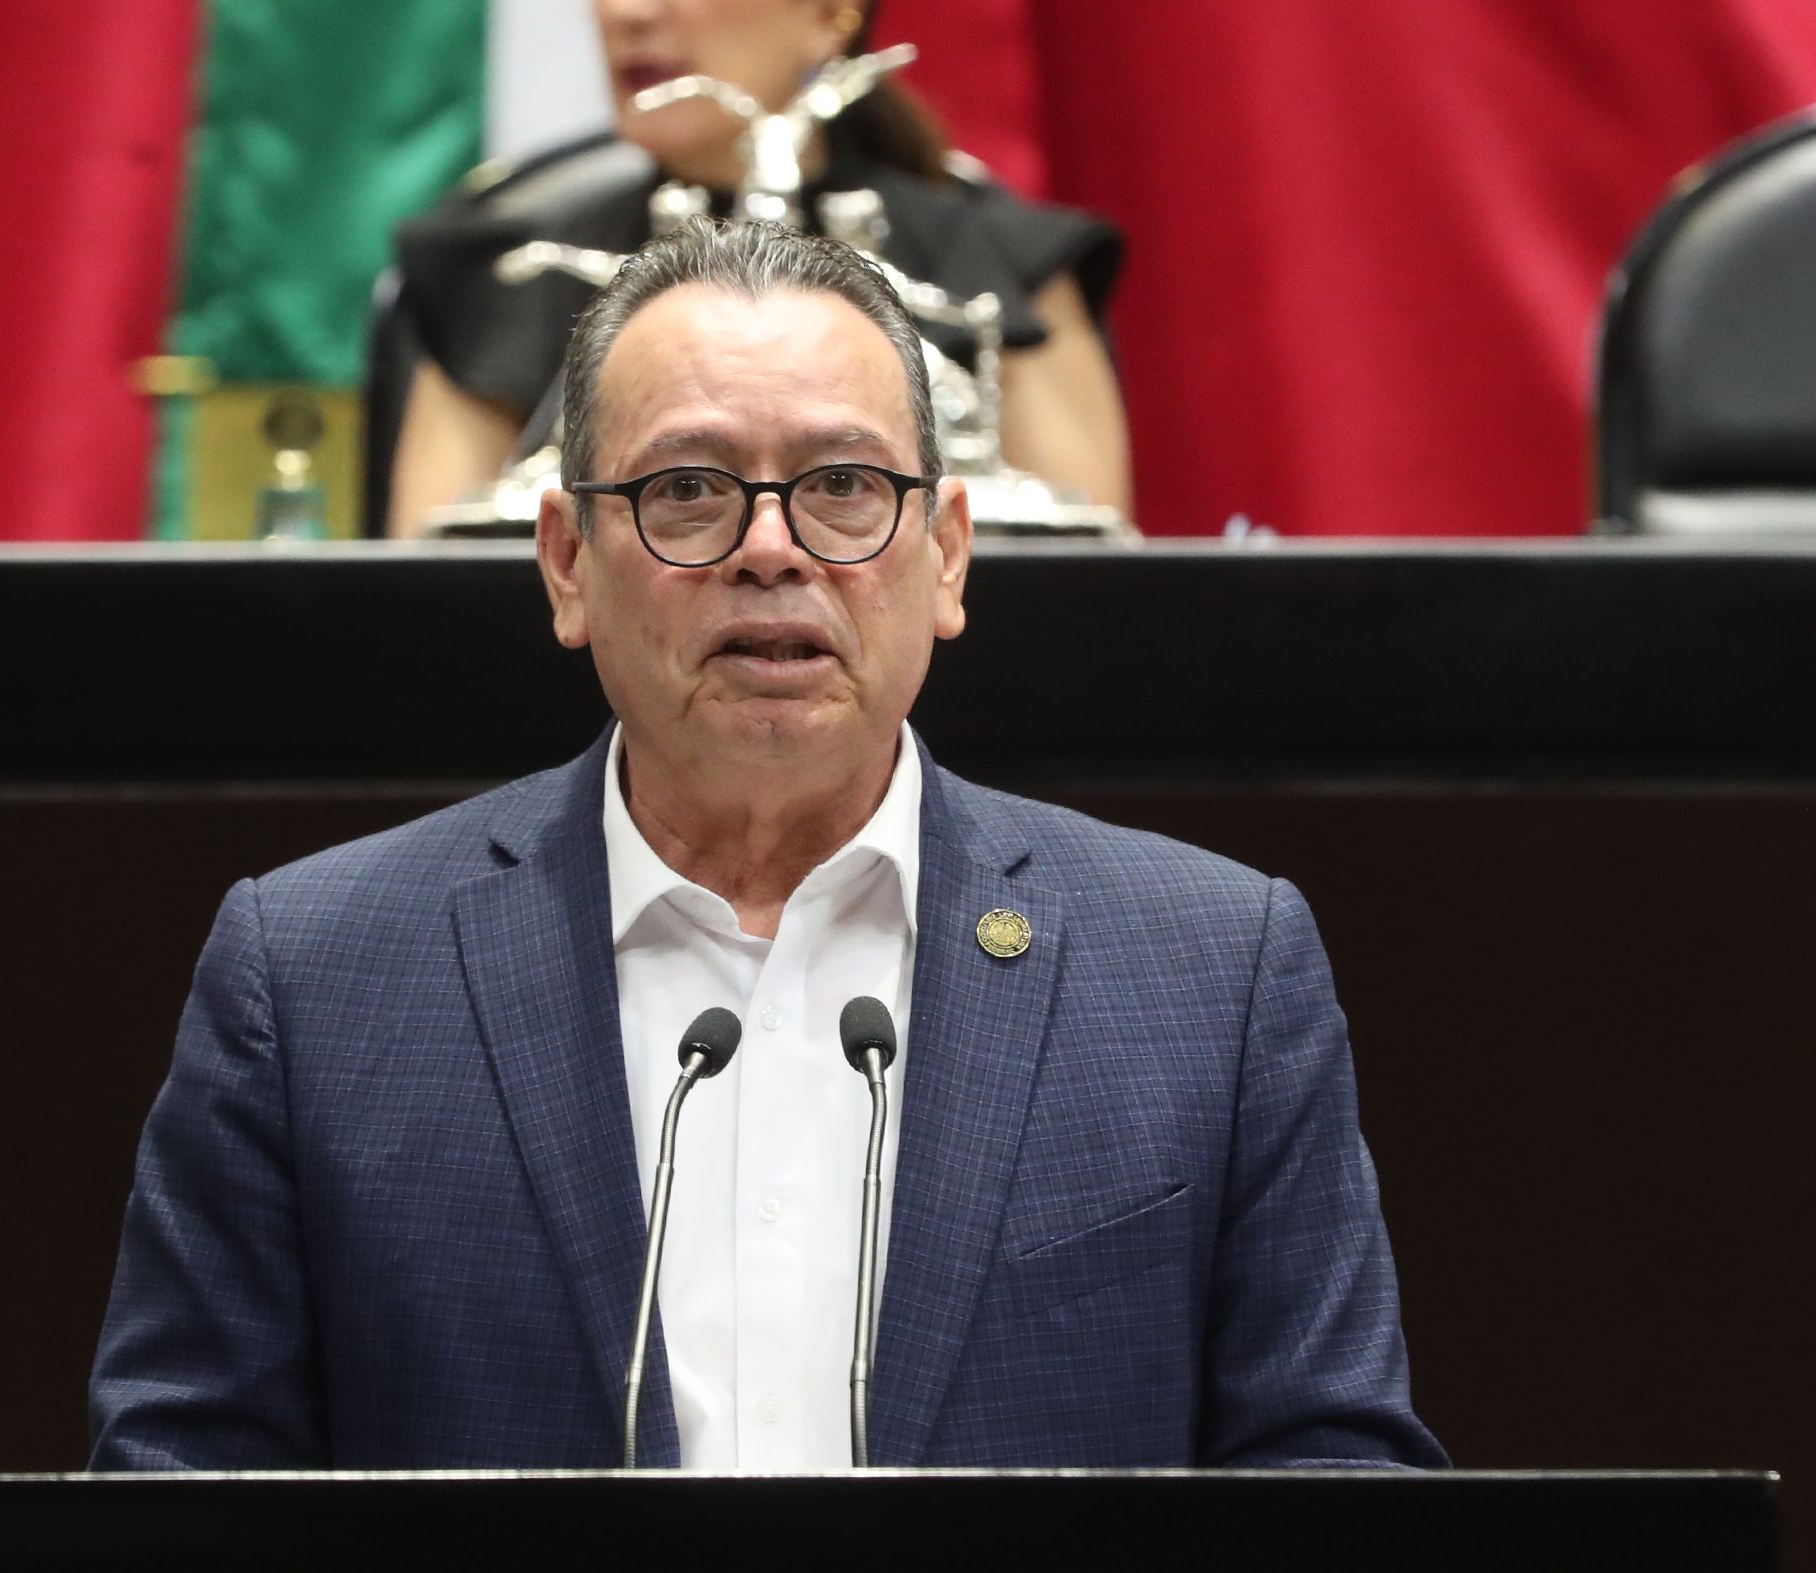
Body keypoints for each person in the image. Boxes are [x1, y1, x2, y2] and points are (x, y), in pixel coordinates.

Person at [91, 219, 1443, 1471]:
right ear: (566, 562)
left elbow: (1328, 1483)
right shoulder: (315, 977)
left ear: (946, 554)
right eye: (688, 490)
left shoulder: (1210, 970)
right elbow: (180, 1490)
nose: (771, 549)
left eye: (842, 486)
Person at [379, 0, 1130, 537]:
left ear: (831, 14)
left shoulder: (998, 273)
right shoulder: (508, 277)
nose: (629, 12)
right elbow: (431, 608)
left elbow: (1081, 599)